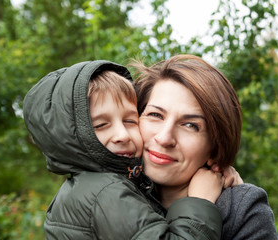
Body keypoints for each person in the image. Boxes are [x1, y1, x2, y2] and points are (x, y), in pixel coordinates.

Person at [23, 60, 230, 239]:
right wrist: (200, 201)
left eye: (130, 120)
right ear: (69, 137)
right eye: (101, 125)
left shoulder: (99, 184)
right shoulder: (105, 191)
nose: (122, 135)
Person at [131, 54, 278, 239]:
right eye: (155, 115)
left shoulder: (242, 210)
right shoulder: (108, 193)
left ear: (216, 147)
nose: (164, 138)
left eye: (190, 125)